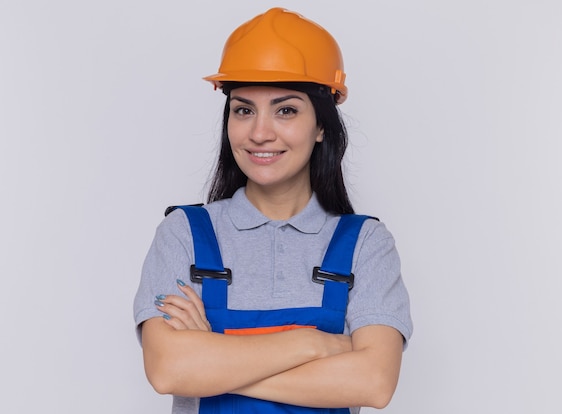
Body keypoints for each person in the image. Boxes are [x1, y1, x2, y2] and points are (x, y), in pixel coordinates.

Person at [133, 7, 412, 414]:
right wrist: (315, 344)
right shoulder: (183, 234)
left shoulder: (366, 244)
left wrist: (213, 357)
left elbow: (373, 383)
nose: (260, 133)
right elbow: (168, 370)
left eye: (286, 110)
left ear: (321, 126)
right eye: (243, 110)